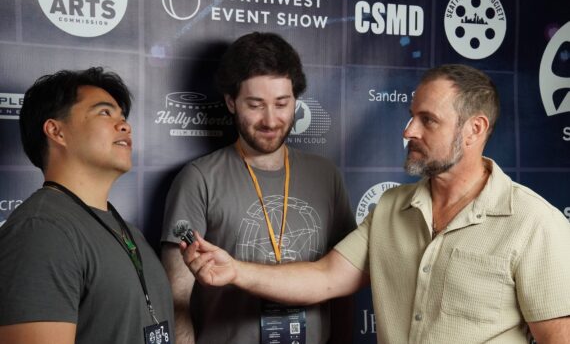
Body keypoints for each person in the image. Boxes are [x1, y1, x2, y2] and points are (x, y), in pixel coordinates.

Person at [182, 64, 570, 343]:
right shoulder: (390, 207)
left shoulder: (534, 222)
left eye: (427, 120)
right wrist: (234, 271)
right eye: (410, 116)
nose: (408, 131)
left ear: (475, 129)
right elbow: (325, 277)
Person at [160, 32, 356, 344]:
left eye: (282, 103)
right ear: (230, 102)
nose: (270, 120)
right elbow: (176, 297)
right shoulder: (198, 178)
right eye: (255, 104)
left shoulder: (325, 175)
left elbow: (344, 285)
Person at [0, 67, 175, 344]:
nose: (124, 125)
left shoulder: (128, 231)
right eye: (105, 113)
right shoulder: (40, 231)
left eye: (123, 117)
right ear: (56, 131)